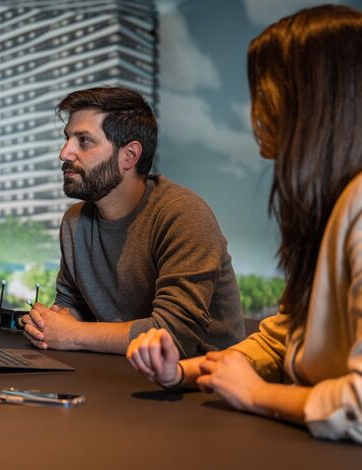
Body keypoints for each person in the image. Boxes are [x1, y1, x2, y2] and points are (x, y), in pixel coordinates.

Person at [127, 4, 362, 443]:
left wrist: (256, 395)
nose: (256, 109)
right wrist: (179, 372)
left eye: (266, 89)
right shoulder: (331, 207)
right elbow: (280, 341)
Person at [23, 86, 245, 356]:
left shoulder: (184, 214)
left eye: (84, 141)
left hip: (198, 384)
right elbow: (72, 308)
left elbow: (174, 335)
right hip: (114, 374)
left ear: (129, 156)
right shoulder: (75, 222)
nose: (65, 153)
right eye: (67, 138)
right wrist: (47, 323)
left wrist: (72, 333)